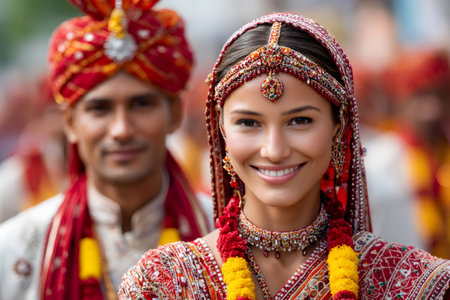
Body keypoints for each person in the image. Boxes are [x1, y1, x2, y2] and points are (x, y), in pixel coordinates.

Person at [119, 13, 450, 299]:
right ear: (220, 132)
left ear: (339, 128)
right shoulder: (161, 283)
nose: (274, 150)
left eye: (300, 121)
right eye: (249, 123)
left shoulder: (412, 283)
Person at [0, 0, 211, 298]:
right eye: (100, 108)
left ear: (175, 113)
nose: (121, 129)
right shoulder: (15, 252)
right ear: (70, 122)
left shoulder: (225, 238)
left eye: (141, 104)